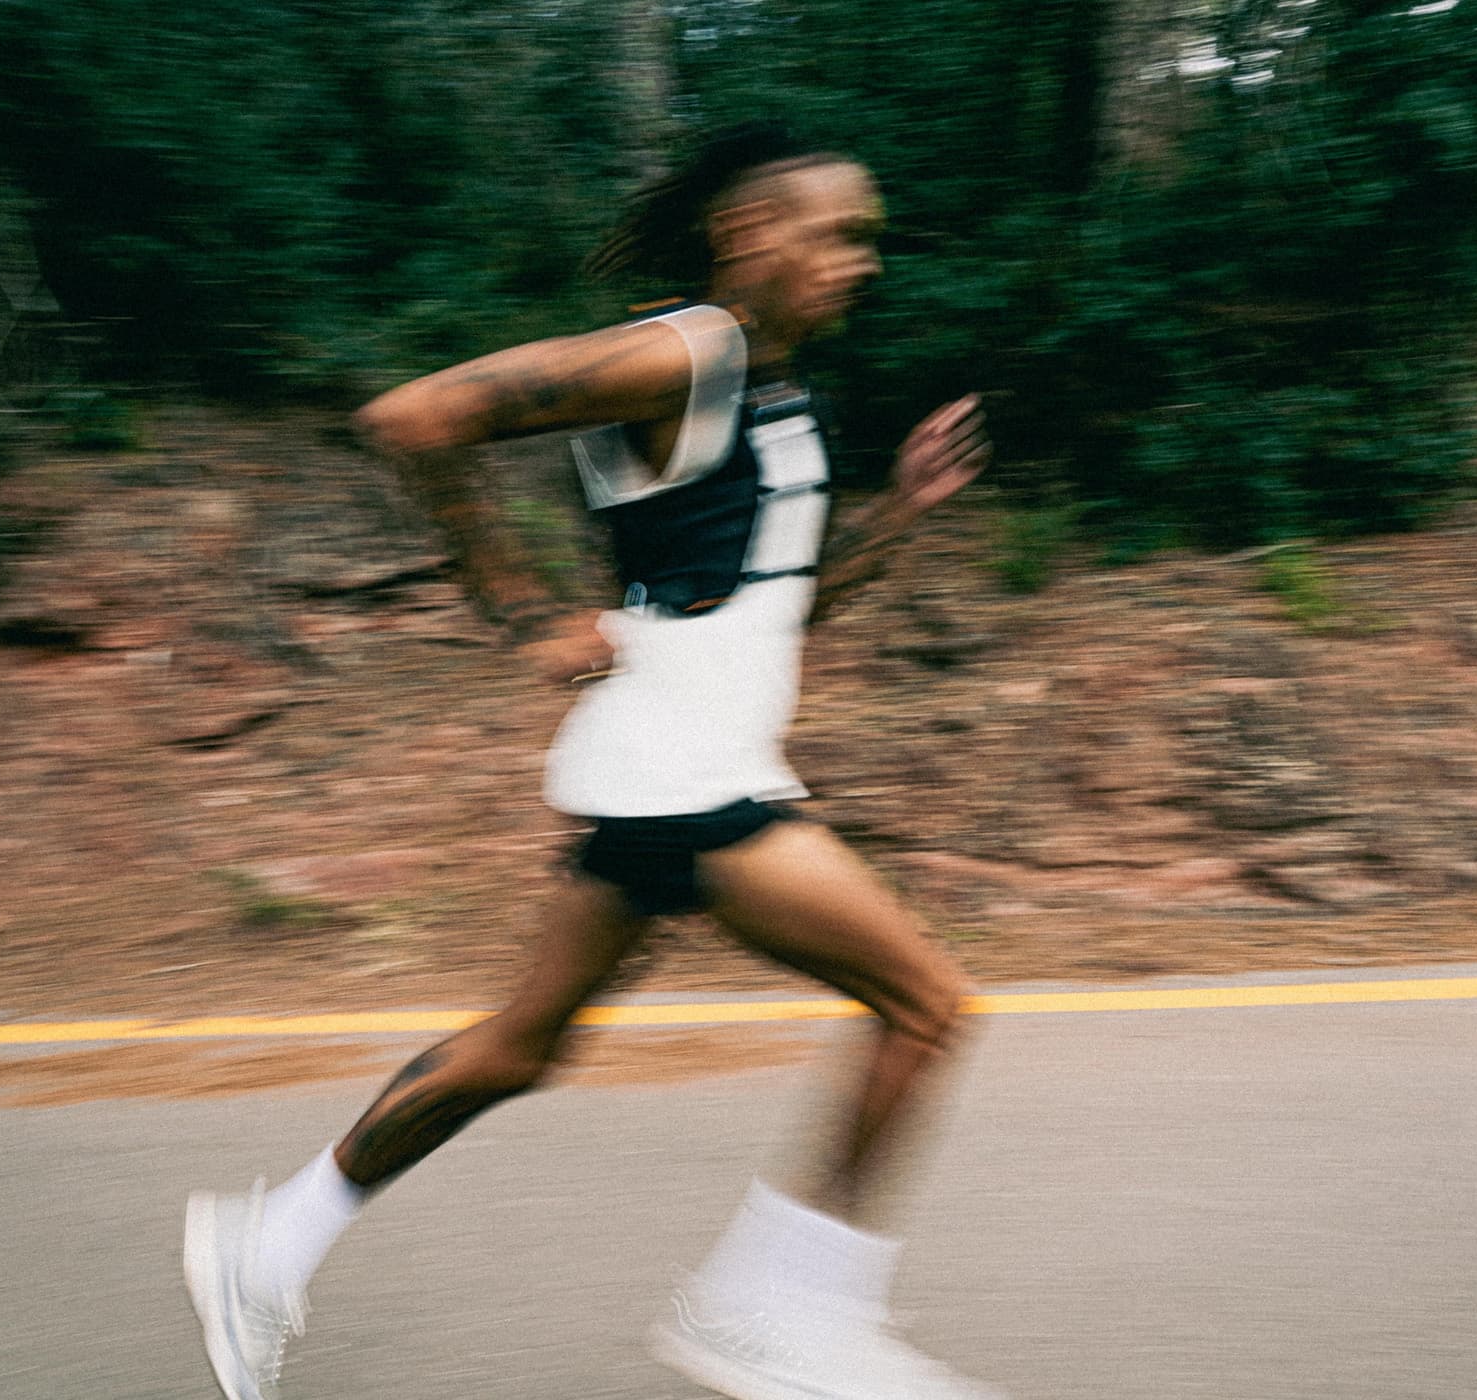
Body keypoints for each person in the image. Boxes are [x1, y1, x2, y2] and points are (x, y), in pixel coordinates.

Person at [183, 122, 998, 1400]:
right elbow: (415, 417)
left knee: (519, 1045)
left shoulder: (765, 383)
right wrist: (517, 604)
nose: (862, 261)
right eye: (838, 232)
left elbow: (781, 602)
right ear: (749, 233)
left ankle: (267, 1239)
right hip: (691, 779)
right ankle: (776, 1310)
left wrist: (900, 513)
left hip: (672, 761)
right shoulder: (689, 349)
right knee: (927, 1004)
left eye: (870, 239)